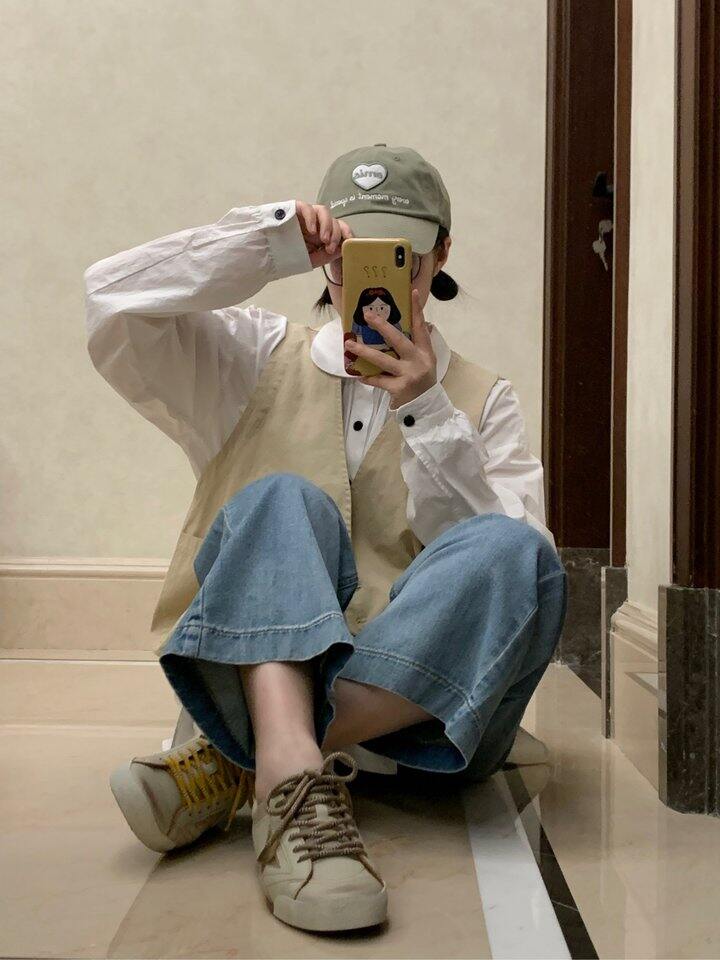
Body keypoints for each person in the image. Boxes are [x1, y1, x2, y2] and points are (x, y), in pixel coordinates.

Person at [84, 143, 567, 934]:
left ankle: (242, 757)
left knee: (520, 550)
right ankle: (291, 774)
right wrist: (265, 241)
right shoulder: (248, 358)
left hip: (427, 725)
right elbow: (110, 298)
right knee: (281, 497)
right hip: (261, 666)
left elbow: (514, 592)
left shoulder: (483, 399)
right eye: (349, 255)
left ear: (440, 254)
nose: (370, 280)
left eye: (400, 256)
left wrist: (428, 414)